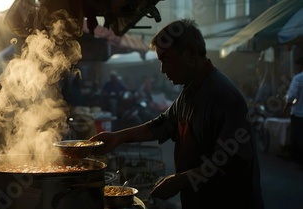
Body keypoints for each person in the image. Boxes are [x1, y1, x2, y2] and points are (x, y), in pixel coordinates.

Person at [89, 19, 264, 209]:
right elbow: (163, 124)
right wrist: (117, 137)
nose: (163, 70)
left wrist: (180, 180)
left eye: (166, 60)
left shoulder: (222, 97)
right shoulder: (190, 91)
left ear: (190, 54)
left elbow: (233, 165)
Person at [283, 57, 303, 167]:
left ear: (300, 66)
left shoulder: (298, 78)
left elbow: (291, 97)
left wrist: (285, 108)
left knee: (297, 137)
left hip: (298, 114)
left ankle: (297, 159)